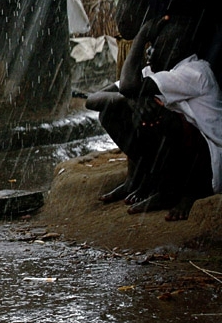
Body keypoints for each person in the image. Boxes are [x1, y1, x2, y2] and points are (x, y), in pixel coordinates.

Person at [85, 15, 222, 220]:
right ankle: (148, 181)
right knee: (111, 111)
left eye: (155, 45)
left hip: (209, 167)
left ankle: (187, 192)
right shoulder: (156, 71)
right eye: (148, 45)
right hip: (190, 158)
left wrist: (139, 37)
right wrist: (130, 101)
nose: (148, 51)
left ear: (175, 49)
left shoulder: (194, 72)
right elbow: (93, 100)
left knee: (160, 116)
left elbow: (129, 86)